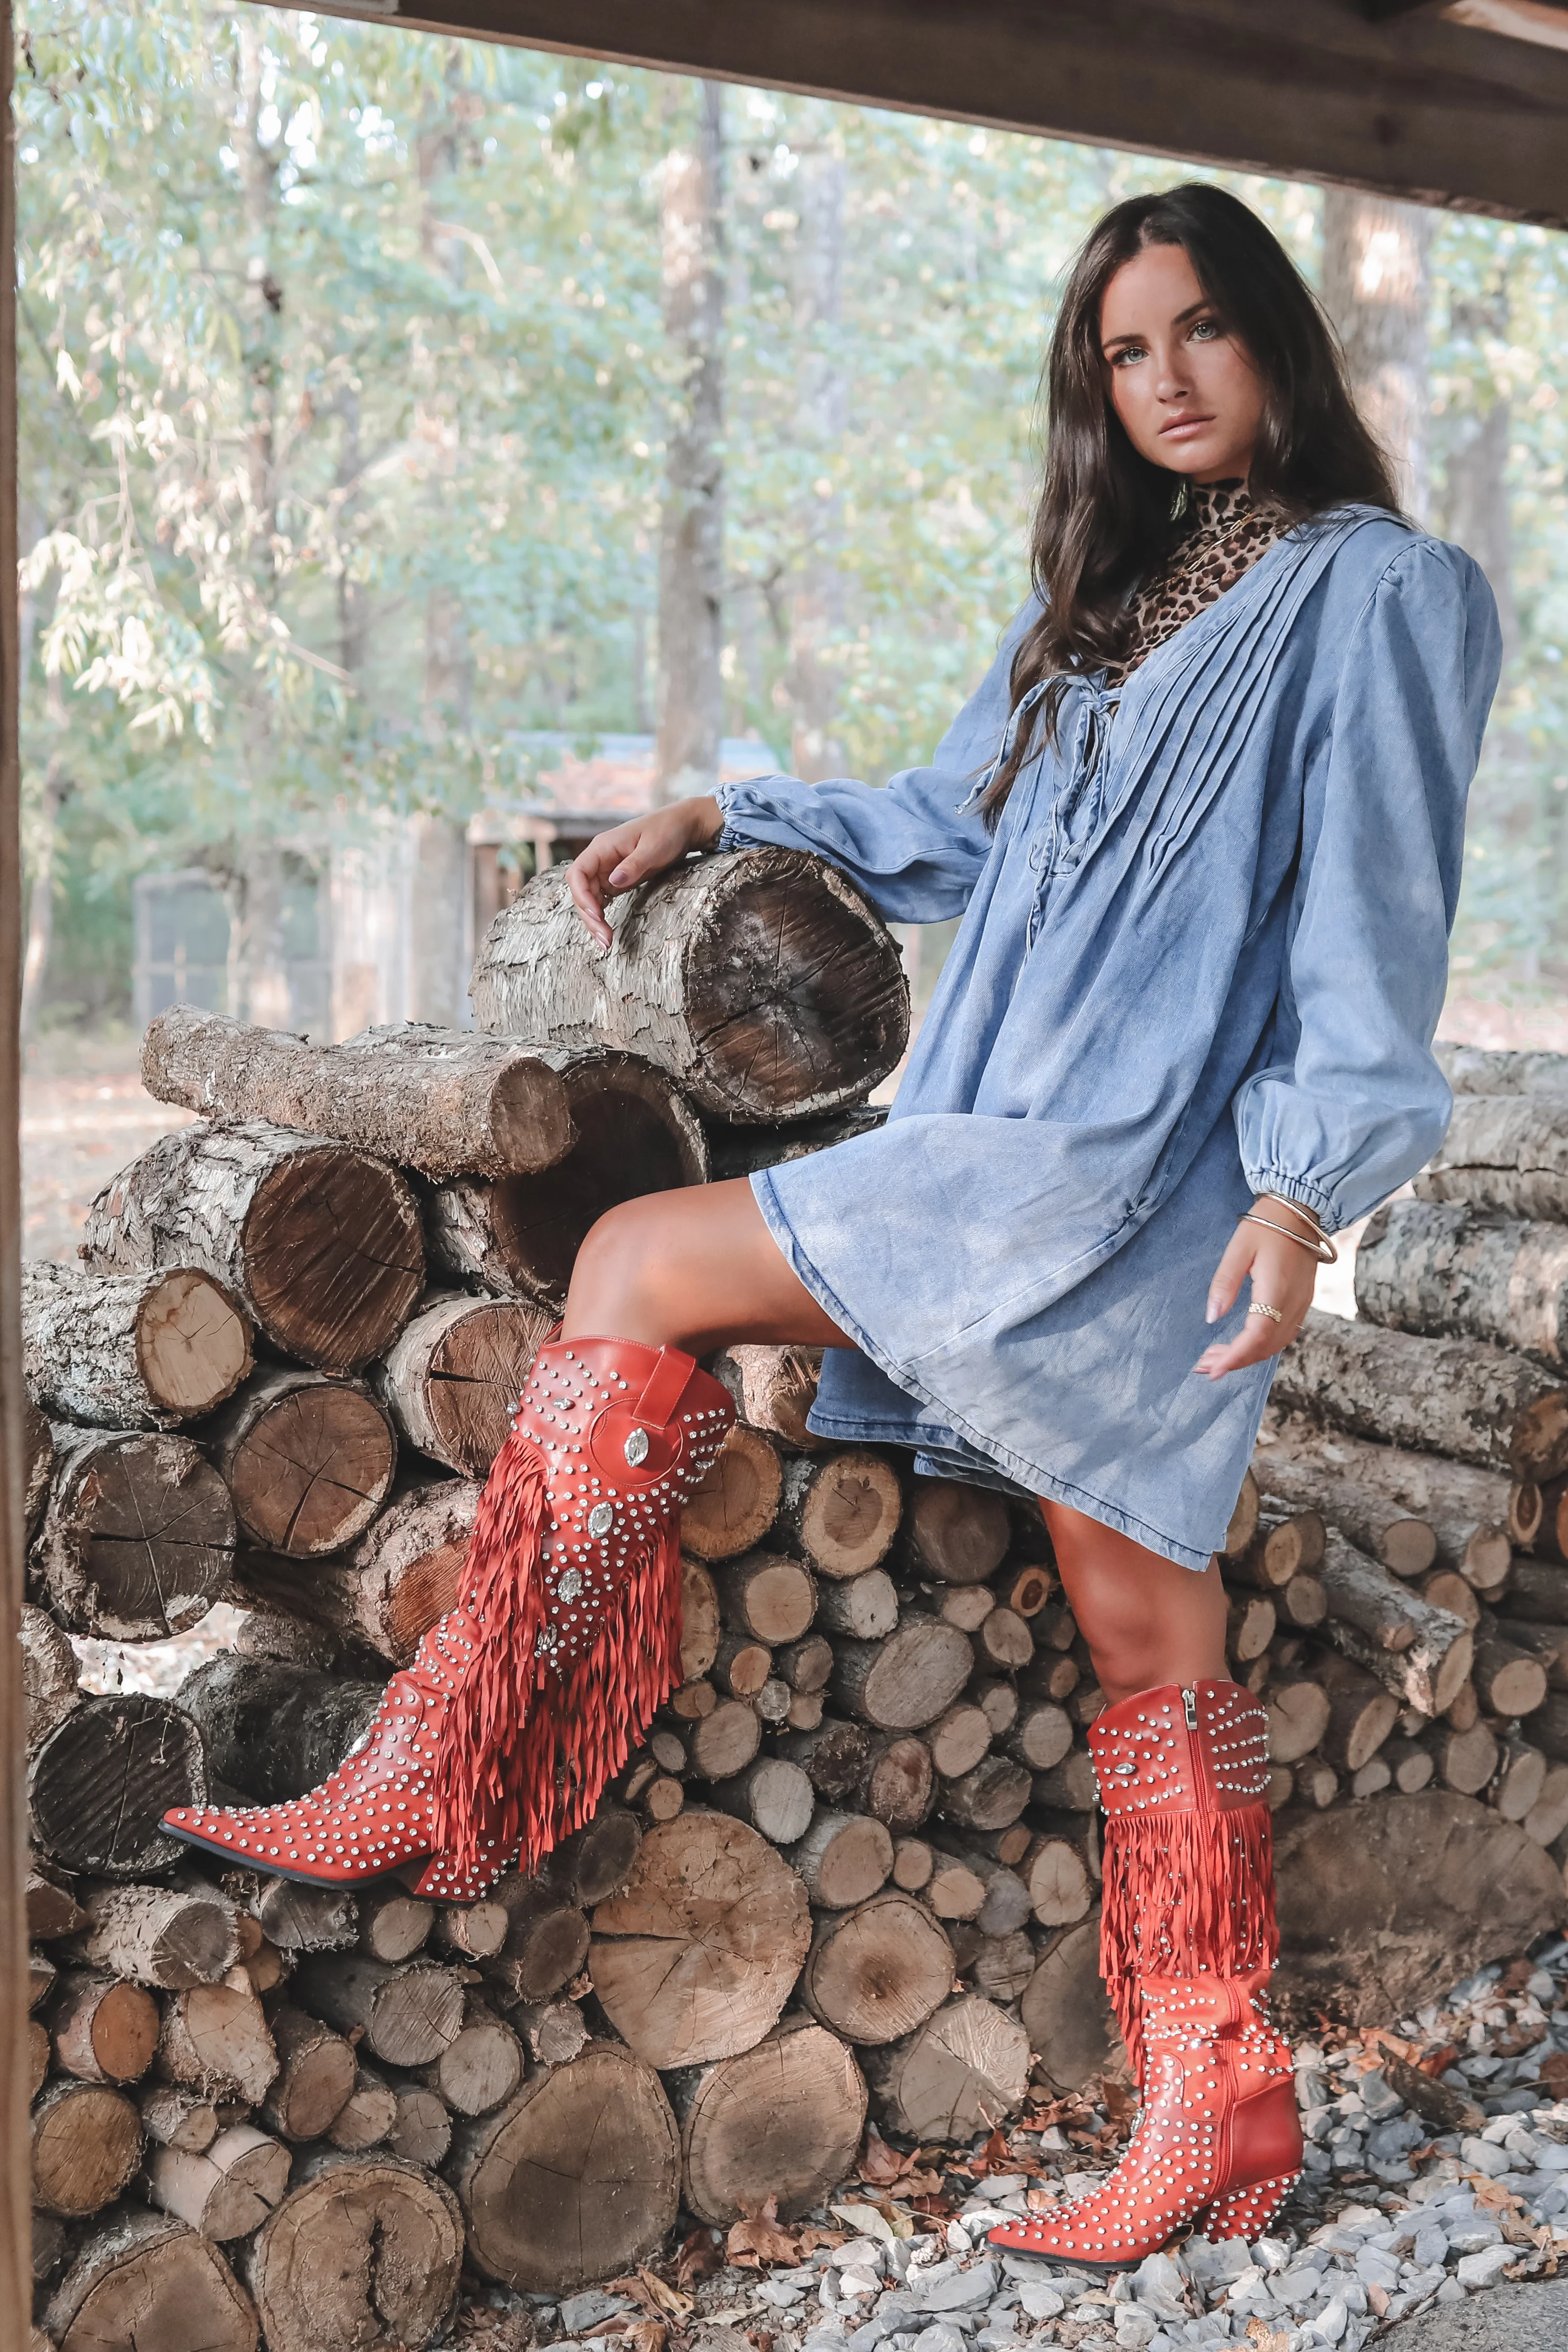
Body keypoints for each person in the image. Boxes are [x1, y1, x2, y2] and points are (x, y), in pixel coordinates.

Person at [166, 183, 1500, 2264]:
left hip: (1134, 1172)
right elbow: (945, 825)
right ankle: (1208, 2095)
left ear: (1276, 344)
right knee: (1107, 1597)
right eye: (1119, 355)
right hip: (1001, 1137)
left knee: (697, 1306)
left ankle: (462, 1754)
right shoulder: (1097, 597)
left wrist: (1297, 1184)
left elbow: (1372, 925)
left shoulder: (1380, 591)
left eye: (1197, 333)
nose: (1159, 382)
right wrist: (732, 808)